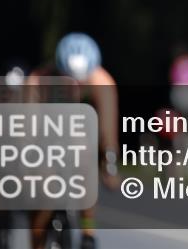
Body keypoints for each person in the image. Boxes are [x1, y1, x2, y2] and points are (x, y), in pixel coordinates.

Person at [27, 33, 120, 249]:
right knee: (45, 193)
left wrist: (110, 163)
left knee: (86, 160)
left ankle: (88, 232)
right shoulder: (39, 79)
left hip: (79, 134)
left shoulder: (102, 80)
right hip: (45, 134)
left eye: (81, 81)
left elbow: (107, 130)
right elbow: (27, 127)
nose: (76, 86)